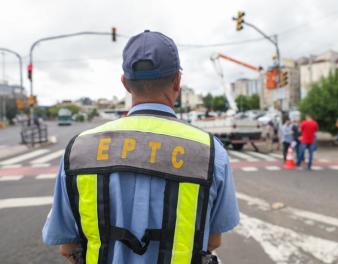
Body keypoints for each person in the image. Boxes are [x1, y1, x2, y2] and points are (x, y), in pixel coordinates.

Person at [42, 30, 240, 264]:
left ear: (125, 83)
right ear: (177, 81)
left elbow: (67, 246)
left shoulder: (79, 150)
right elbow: (213, 240)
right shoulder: (210, 152)